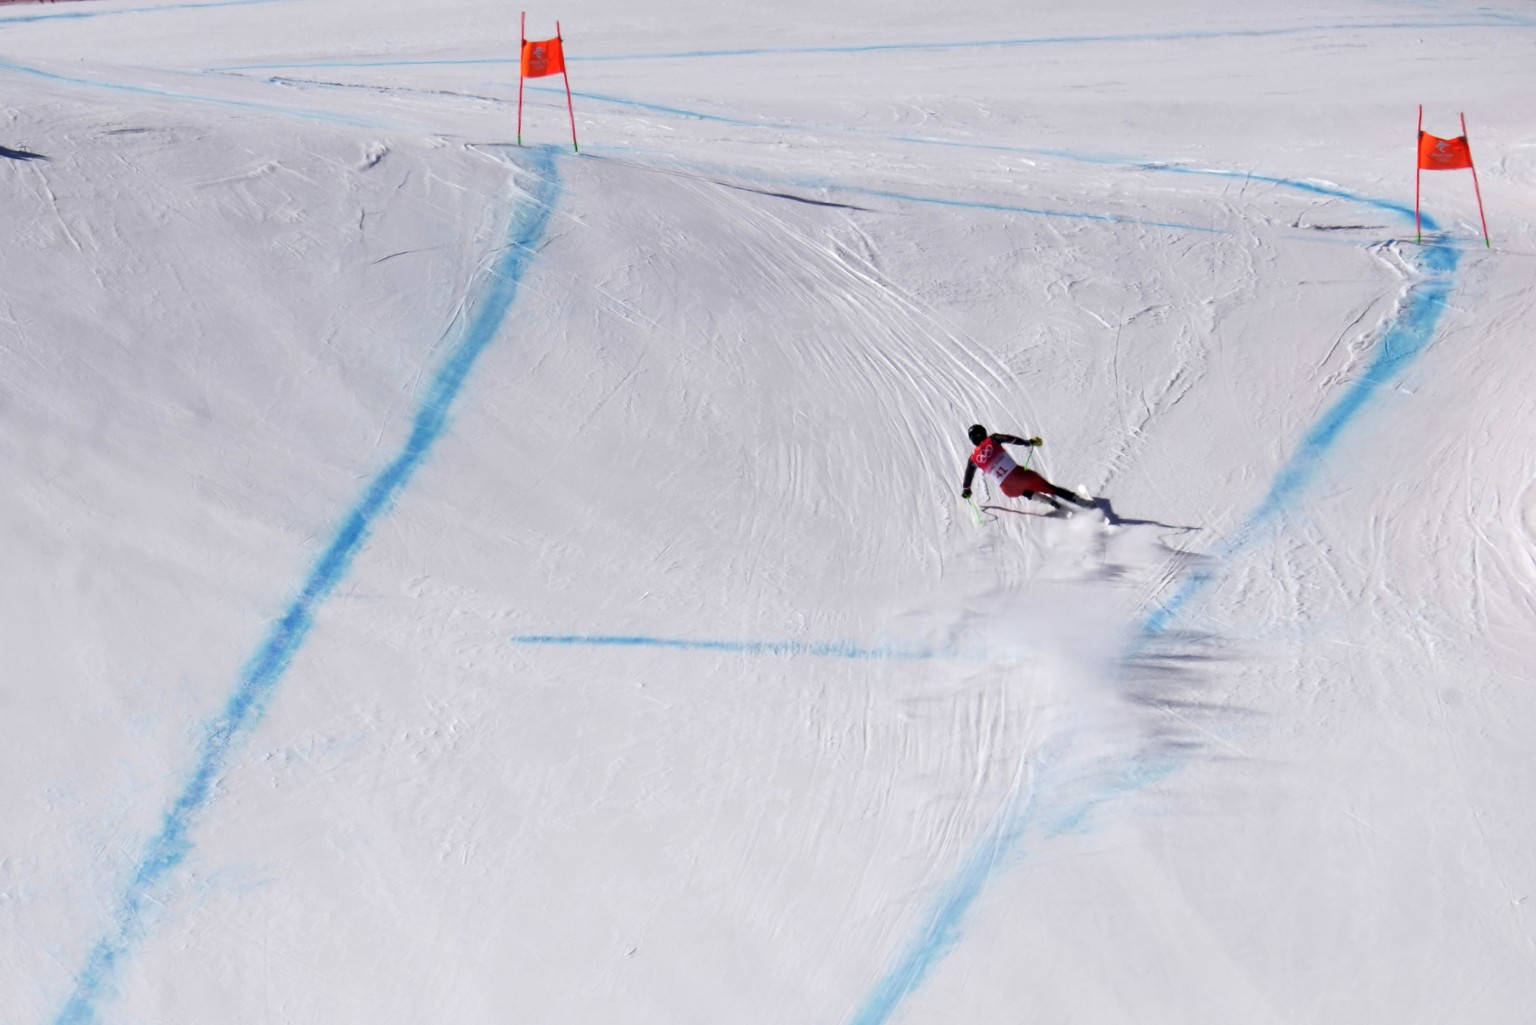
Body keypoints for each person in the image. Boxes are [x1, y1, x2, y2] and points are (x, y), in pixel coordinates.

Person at [960, 424, 1091, 511]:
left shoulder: (973, 459)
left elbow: (968, 475)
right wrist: (1026, 442)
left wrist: (966, 490)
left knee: (1022, 491)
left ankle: (1048, 501)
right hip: (1022, 477)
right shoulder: (992, 439)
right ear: (984, 432)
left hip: (1008, 490)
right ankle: (1080, 502)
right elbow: (1008, 439)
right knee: (1051, 489)